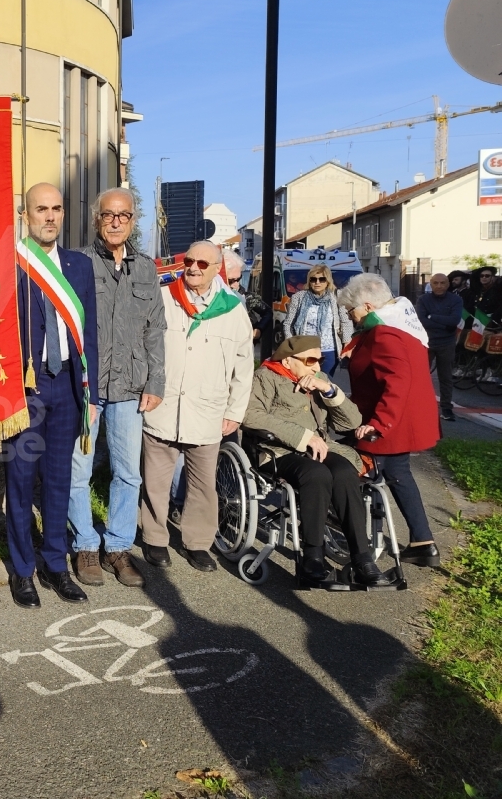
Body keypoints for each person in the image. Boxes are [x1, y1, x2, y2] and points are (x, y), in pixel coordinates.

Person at [5, 183, 98, 608]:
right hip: (24, 386)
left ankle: (56, 564)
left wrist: (91, 393)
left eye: (57, 208)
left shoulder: (78, 266)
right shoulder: (9, 263)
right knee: (22, 482)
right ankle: (23, 570)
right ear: (26, 215)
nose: (50, 216)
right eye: (40, 209)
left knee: (61, 481)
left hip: (67, 388)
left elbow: (90, 334)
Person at [66, 187, 164, 589]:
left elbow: (156, 328)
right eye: (109, 215)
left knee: (128, 474)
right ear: (97, 219)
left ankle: (118, 547)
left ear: (133, 220)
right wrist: (76, 385)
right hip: (88, 387)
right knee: (79, 471)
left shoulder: (146, 269)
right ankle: (85, 545)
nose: (116, 222)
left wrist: (156, 380)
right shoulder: (77, 264)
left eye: (123, 216)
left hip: (131, 385)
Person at [242, 335, 390, 588]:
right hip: (277, 450)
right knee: (316, 475)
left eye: (319, 360)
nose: (318, 367)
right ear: (288, 361)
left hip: (321, 447)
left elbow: (351, 423)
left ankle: (362, 558)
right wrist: (304, 436)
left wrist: (330, 391)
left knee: (345, 472)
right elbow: (251, 415)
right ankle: (313, 556)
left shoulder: (320, 380)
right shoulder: (265, 377)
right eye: (310, 360)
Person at [141, 241, 253, 573]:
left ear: (218, 269)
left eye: (203, 264)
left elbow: (244, 366)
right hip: (164, 407)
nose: (193, 267)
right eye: (189, 260)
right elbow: (144, 348)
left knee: (204, 485)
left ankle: (198, 543)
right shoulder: (163, 299)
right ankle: (154, 538)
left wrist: (235, 411)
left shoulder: (232, 310)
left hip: (207, 411)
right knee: (155, 482)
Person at [337, 273, 441, 567]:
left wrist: (380, 423)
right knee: (399, 475)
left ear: (368, 306)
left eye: (351, 311)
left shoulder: (385, 333)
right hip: (403, 417)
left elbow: (397, 380)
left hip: (388, 420)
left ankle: (364, 549)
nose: (350, 317)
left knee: (356, 474)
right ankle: (423, 542)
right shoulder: (401, 323)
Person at [282, 263, 352, 376]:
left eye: (322, 279)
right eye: (313, 279)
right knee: (305, 382)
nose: (317, 282)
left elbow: (346, 321)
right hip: (305, 349)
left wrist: (346, 344)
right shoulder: (299, 297)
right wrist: (291, 345)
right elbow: (288, 323)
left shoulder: (337, 296)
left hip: (329, 350)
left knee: (324, 381)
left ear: (328, 280)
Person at [417, 273, 463, 422]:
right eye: (435, 283)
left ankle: (446, 408)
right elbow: (422, 320)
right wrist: (444, 322)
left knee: (446, 377)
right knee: (422, 375)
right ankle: (421, 405)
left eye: (442, 283)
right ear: (431, 284)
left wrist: (432, 316)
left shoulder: (456, 299)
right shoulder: (423, 300)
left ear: (448, 284)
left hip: (447, 343)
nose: (439, 286)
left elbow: (454, 320)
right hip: (426, 341)